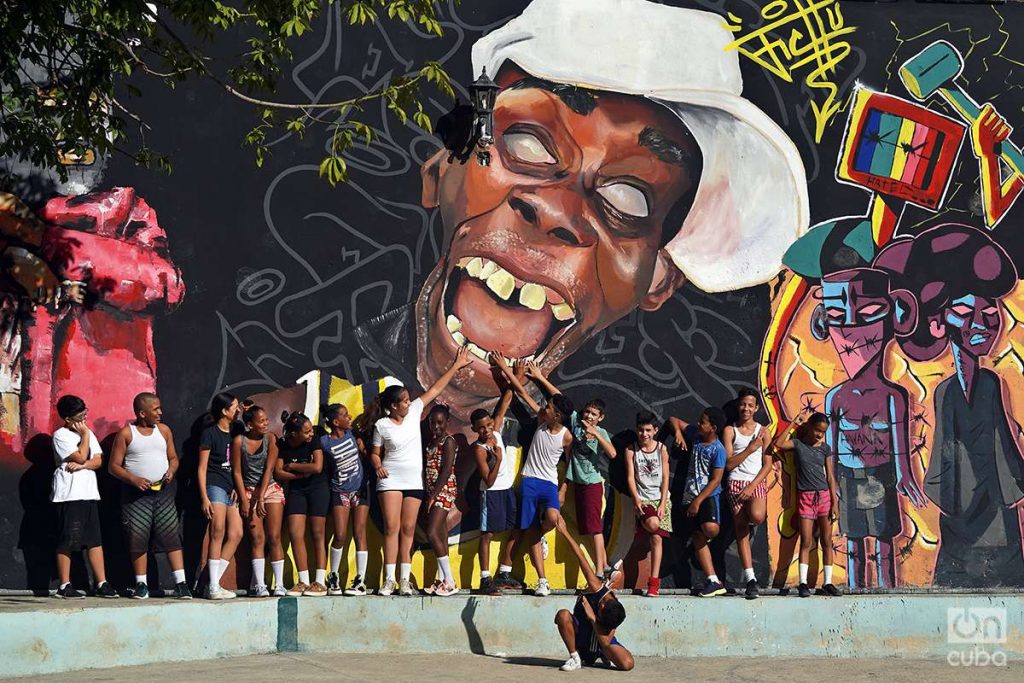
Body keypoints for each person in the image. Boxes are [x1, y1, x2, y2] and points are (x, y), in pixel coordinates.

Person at [369, 346, 473, 596]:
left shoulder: (415, 411)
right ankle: (389, 580)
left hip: (414, 483)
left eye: (408, 400)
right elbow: (374, 453)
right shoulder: (382, 424)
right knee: (391, 528)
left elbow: (435, 389)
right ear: (393, 406)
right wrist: (378, 465)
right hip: (391, 481)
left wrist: (456, 366)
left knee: (408, 530)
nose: (409, 403)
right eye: (404, 401)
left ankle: (404, 580)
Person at [494, 356, 573, 597]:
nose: (545, 408)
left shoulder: (567, 436)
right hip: (529, 481)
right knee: (525, 527)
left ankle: (540, 535)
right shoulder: (540, 420)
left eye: (550, 407)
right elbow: (521, 393)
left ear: (557, 415)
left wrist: (563, 490)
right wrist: (506, 371)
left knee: (551, 519)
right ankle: (542, 580)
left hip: (549, 484)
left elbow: (570, 465)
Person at [527, 367, 615, 577]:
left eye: (594, 414)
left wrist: (596, 434)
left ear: (601, 418)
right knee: (579, 524)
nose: (588, 416)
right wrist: (540, 378)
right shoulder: (575, 423)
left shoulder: (600, 432)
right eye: (587, 412)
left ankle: (601, 569)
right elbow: (560, 397)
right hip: (575, 483)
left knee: (594, 528)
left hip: (592, 483)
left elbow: (612, 454)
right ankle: (604, 567)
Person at [108, 392, 191, 599]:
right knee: (138, 538)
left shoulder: (164, 431)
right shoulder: (127, 434)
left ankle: (181, 584)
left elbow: (173, 458)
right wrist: (133, 479)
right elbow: (113, 467)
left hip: (163, 494)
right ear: (141, 413)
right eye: (155, 409)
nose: (160, 413)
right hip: (135, 497)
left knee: (172, 536)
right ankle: (141, 585)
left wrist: (171, 470)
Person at [50, 395, 117, 599]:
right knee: (67, 540)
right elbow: (79, 454)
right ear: (68, 419)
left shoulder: (87, 433)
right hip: (69, 494)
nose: (84, 418)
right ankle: (64, 585)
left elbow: (96, 461)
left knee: (94, 540)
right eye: (80, 416)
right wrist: (85, 436)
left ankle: (102, 583)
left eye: (85, 413)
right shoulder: (60, 436)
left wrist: (83, 465)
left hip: (88, 493)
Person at [553, 514, 634, 672]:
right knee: (562, 615)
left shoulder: (614, 610)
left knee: (628, 664)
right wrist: (564, 532)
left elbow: (606, 640)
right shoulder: (596, 588)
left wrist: (593, 619)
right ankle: (575, 658)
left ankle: (603, 656)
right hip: (581, 637)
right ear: (602, 604)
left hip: (600, 642)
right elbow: (580, 556)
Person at [773, 411, 841, 598]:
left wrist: (834, 503)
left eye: (823, 432)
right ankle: (803, 583)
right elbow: (778, 444)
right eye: (817, 430)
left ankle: (827, 582)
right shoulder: (798, 444)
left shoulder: (825, 448)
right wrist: (794, 423)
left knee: (826, 541)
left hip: (824, 497)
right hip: (805, 498)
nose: (819, 434)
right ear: (809, 427)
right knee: (806, 540)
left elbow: (830, 476)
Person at [669, 407, 727, 597]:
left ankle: (708, 538)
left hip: (708, 496)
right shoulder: (695, 435)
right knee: (697, 536)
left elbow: (716, 480)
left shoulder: (718, 450)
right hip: (689, 495)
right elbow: (674, 419)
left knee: (710, 529)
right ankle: (713, 580)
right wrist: (678, 433)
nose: (698, 424)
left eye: (703, 422)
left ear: (713, 428)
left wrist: (698, 501)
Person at [722, 388, 773, 599]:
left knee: (757, 516)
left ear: (756, 408)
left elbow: (768, 464)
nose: (746, 409)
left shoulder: (763, 432)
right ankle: (751, 579)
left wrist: (752, 487)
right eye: (743, 404)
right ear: (738, 405)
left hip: (755, 483)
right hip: (735, 483)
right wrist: (750, 449)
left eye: (750, 405)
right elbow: (728, 464)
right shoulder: (729, 430)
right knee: (740, 530)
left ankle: (751, 519)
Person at [231, 403, 285, 597]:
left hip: (269, 490)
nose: (265, 424)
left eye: (266, 420)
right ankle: (260, 585)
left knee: (274, 537)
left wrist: (260, 497)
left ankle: (279, 584)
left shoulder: (271, 439)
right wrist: (245, 499)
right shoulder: (239, 441)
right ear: (249, 424)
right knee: (257, 538)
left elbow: (269, 470)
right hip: (249, 490)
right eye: (260, 421)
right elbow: (237, 471)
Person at [471, 382, 519, 594]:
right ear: (475, 429)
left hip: (507, 491)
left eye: (489, 425)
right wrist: (498, 459)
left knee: (517, 526)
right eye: (481, 427)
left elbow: (505, 403)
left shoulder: (496, 433)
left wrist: (513, 376)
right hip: (491, 494)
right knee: (487, 535)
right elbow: (489, 481)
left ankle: (504, 572)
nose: (487, 430)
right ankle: (484, 578)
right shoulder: (480, 450)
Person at [275, 412, 328, 597]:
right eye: (306, 432)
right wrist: (299, 475)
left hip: (318, 489)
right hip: (297, 490)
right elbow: (278, 472)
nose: (310, 434)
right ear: (293, 434)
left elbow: (317, 467)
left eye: (310, 430)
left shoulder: (314, 441)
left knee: (317, 534)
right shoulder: (283, 444)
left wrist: (294, 466)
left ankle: (320, 582)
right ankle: (303, 581)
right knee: (295, 533)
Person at [320, 403, 370, 597]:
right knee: (340, 534)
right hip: (339, 491)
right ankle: (333, 576)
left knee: (359, 533)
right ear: (335, 421)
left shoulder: (354, 434)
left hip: (360, 490)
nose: (349, 417)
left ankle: (360, 580)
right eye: (344, 415)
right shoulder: (325, 442)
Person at [197, 392, 243, 600]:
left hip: (230, 487)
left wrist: (236, 485)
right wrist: (204, 497)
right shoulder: (210, 433)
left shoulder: (237, 432)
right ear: (224, 411)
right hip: (214, 485)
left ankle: (210, 582)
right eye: (235, 406)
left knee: (236, 533)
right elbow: (202, 468)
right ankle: (214, 586)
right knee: (218, 530)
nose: (239, 409)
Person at [625, 411, 670, 597]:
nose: (644, 434)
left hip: (660, 499)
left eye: (648, 430)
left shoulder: (661, 449)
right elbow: (630, 477)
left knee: (656, 539)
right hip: (642, 499)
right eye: (641, 430)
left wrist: (662, 503)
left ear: (655, 430)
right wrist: (636, 498)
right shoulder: (631, 450)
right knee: (653, 525)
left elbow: (666, 476)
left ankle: (654, 583)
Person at [423, 404, 460, 596]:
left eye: (440, 422)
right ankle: (441, 579)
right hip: (433, 490)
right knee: (442, 534)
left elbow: (445, 471)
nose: (436, 426)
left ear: (447, 422)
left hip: (443, 490)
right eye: (432, 422)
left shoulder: (448, 441)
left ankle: (450, 581)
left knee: (432, 533)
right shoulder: (431, 443)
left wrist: (433, 495)